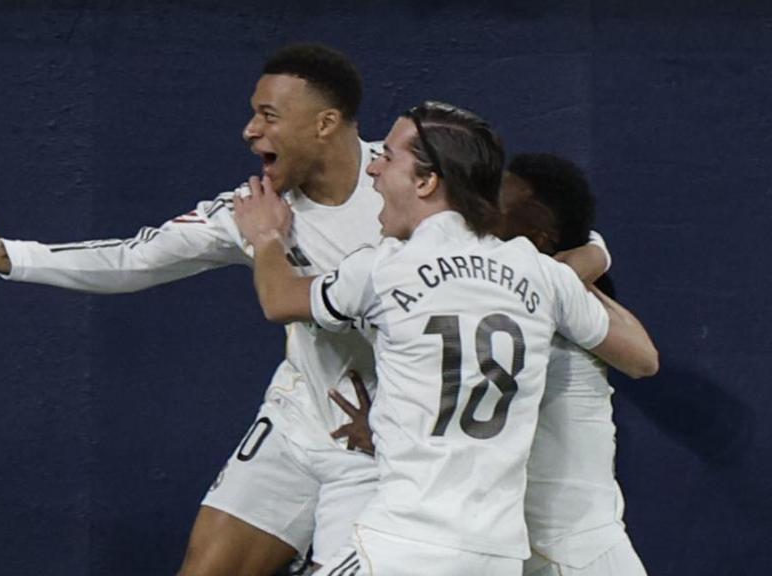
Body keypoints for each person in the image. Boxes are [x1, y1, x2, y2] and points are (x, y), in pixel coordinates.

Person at [0, 43, 384, 576]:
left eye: (269, 116)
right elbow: (135, 258)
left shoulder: (410, 190)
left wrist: (395, 421)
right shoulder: (249, 211)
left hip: (380, 449)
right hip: (296, 423)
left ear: (325, 124)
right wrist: (9, 255)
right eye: (253, 113)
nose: (249, 131)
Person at [233, 101, 658, 575]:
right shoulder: (541, 278)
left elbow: (277, 300)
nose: (372, 166)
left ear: (427, 180)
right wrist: (593, 255)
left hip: (411, 546)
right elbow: (643, 359)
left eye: (388, 156)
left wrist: (267, 236)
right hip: (501, 558)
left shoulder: (386, 268)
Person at [499, 153, 649, 576]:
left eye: (498, 202)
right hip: (529, 554)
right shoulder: (522, 286)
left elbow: (645, 360)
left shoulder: (551, 301)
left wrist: (576, 269)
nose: (481, 208)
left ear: (536, 234)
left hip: (578, 558)